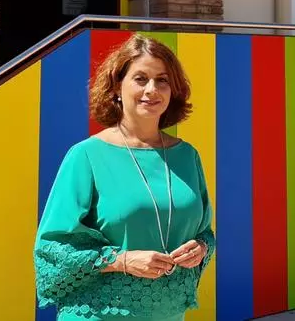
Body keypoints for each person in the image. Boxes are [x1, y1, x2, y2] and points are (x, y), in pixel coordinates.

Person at [34, 34, 216, 321]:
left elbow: (204, 232)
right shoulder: (86, 156)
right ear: (117, 87)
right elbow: (51, 249)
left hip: (168, 314)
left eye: (162, 80)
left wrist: (201, 248)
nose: (152, 90)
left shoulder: (187, 156)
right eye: (140, 79)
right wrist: (123, 261)